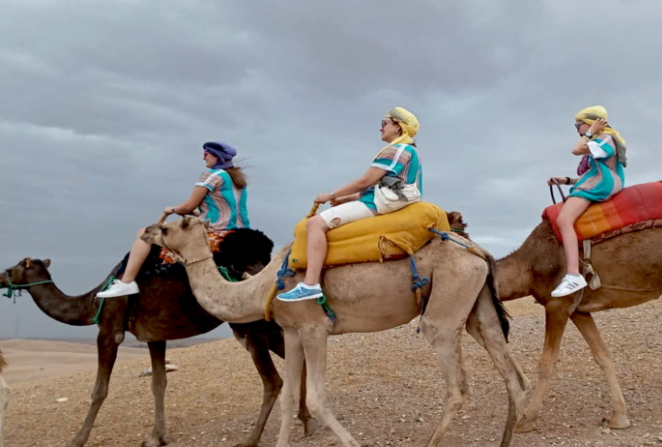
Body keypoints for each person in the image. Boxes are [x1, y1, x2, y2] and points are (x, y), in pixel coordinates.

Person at [277, 107, 421, 302]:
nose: (381, 128)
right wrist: (344, 199)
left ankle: (310, 284)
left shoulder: (397, 150)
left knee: (315, 224)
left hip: (376, 207)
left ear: (398, 127)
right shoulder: (410, 151)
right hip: (379, 203)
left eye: (384, 123)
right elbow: (384, 190)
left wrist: (330, 195)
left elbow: (365, 182)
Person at [96, 141, 249, 298]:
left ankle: (126, 282)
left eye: (206, 154)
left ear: (217, 156)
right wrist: (196, 214)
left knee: (145, 232)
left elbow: (188, 206)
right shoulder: (236, 180)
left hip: (216, 232)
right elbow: (223, 209)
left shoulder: (212, 176)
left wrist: (173, 210)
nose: (204, 158)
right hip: (238, 232)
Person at [548, 105, 627, 298]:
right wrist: (566, 181)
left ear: (590, 123)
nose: (578, 130)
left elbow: (576, 150)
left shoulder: (605, 138)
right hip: (598, 182)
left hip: (600, 185)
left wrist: (591, 132)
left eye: (579, 125)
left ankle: (573, 275)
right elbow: (591, 173)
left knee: (564, 220)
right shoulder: (603, 140)